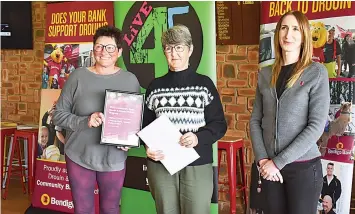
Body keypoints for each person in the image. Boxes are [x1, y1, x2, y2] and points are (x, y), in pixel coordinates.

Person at [53, 25, 140, 214]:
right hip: (79, 155)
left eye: (110, 47)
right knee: (83, 209)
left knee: (110, 209)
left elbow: (135, 121)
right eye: (99, 46)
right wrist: (85, 121)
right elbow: (58, 114)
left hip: (113, 157)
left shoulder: (130, 80)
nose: (104, 52)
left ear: (119, 52)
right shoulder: (78, 76)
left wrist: (131, 141)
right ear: (93, 49)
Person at [250, 11, 330, 214]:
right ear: (277, 33)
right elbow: (255, 121)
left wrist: (278, 162)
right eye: (284, 28)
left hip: (302, 169)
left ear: (304, 35)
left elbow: (316, 126)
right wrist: (262, 160)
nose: (288, 34)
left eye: (295, 29)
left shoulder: (316, 73)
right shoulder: (265, 74)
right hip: (268, 168)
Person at [142, 24, 227, 214]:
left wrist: (198, 138)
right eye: (169, 48)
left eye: (179, 47)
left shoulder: (204, 84)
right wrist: (148, 147)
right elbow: (145, 126)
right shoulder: (155, 87)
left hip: (196, 162)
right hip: (162, 164)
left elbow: (219, 124)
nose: (174, 53)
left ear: (190, 50)